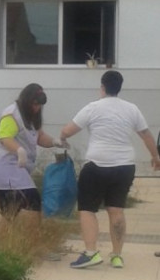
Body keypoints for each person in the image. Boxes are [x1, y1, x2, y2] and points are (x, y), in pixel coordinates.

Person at [59, 70, 160, 269]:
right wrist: (155, 157)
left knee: (87, 208)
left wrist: (62, 138)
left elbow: (67, 130)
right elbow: (146, 134)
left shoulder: (93, 108)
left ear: (102, 87)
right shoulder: (132, 109)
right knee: (116, 210)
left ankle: (91, 253)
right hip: (124, 166)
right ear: (119, 87)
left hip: (97, 164)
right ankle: (116, 255)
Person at [0, 83, 66, 228]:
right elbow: (5, 137)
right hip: (7, 166)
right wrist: (19, 150)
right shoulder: (11, 114)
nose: (37, 109)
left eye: (40, 106)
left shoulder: (31, 117)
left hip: (17, 167)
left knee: (10, 210)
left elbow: (39, 136)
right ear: (26, 100)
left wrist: (55, 142)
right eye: (35, 105)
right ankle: (32, 239)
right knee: (33, 201)